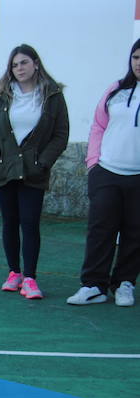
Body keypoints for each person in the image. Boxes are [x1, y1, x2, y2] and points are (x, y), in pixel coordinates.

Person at [0, 44, 69, 300]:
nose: (19, 68)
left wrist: (43, 162)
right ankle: (13, 272)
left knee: (30, 223)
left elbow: (60, 135)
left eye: (24, 63)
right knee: (10, 222)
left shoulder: (52, 96)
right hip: (5, 170)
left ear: (36, 64)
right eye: (15, 64)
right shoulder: (1, 94)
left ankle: (30, 278)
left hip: (33, 172)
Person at [67, 39, 140, 308]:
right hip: (107, 172)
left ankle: (124, 284)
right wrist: (94, 164)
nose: (138, 62)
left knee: (135, 233)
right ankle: (93, 285)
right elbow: (98, 125)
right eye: (135, 57)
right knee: (100, 231)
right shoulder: (115, 91)